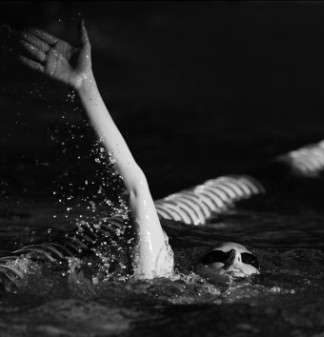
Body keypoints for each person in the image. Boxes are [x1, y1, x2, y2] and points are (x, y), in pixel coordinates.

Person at [16, 21, 259, 280]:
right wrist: (86, 87)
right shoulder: (158, 272)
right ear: (195, 270)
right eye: (218, 256)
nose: (234, 258)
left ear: (260, 273)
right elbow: (136, 186)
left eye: (248, 259)